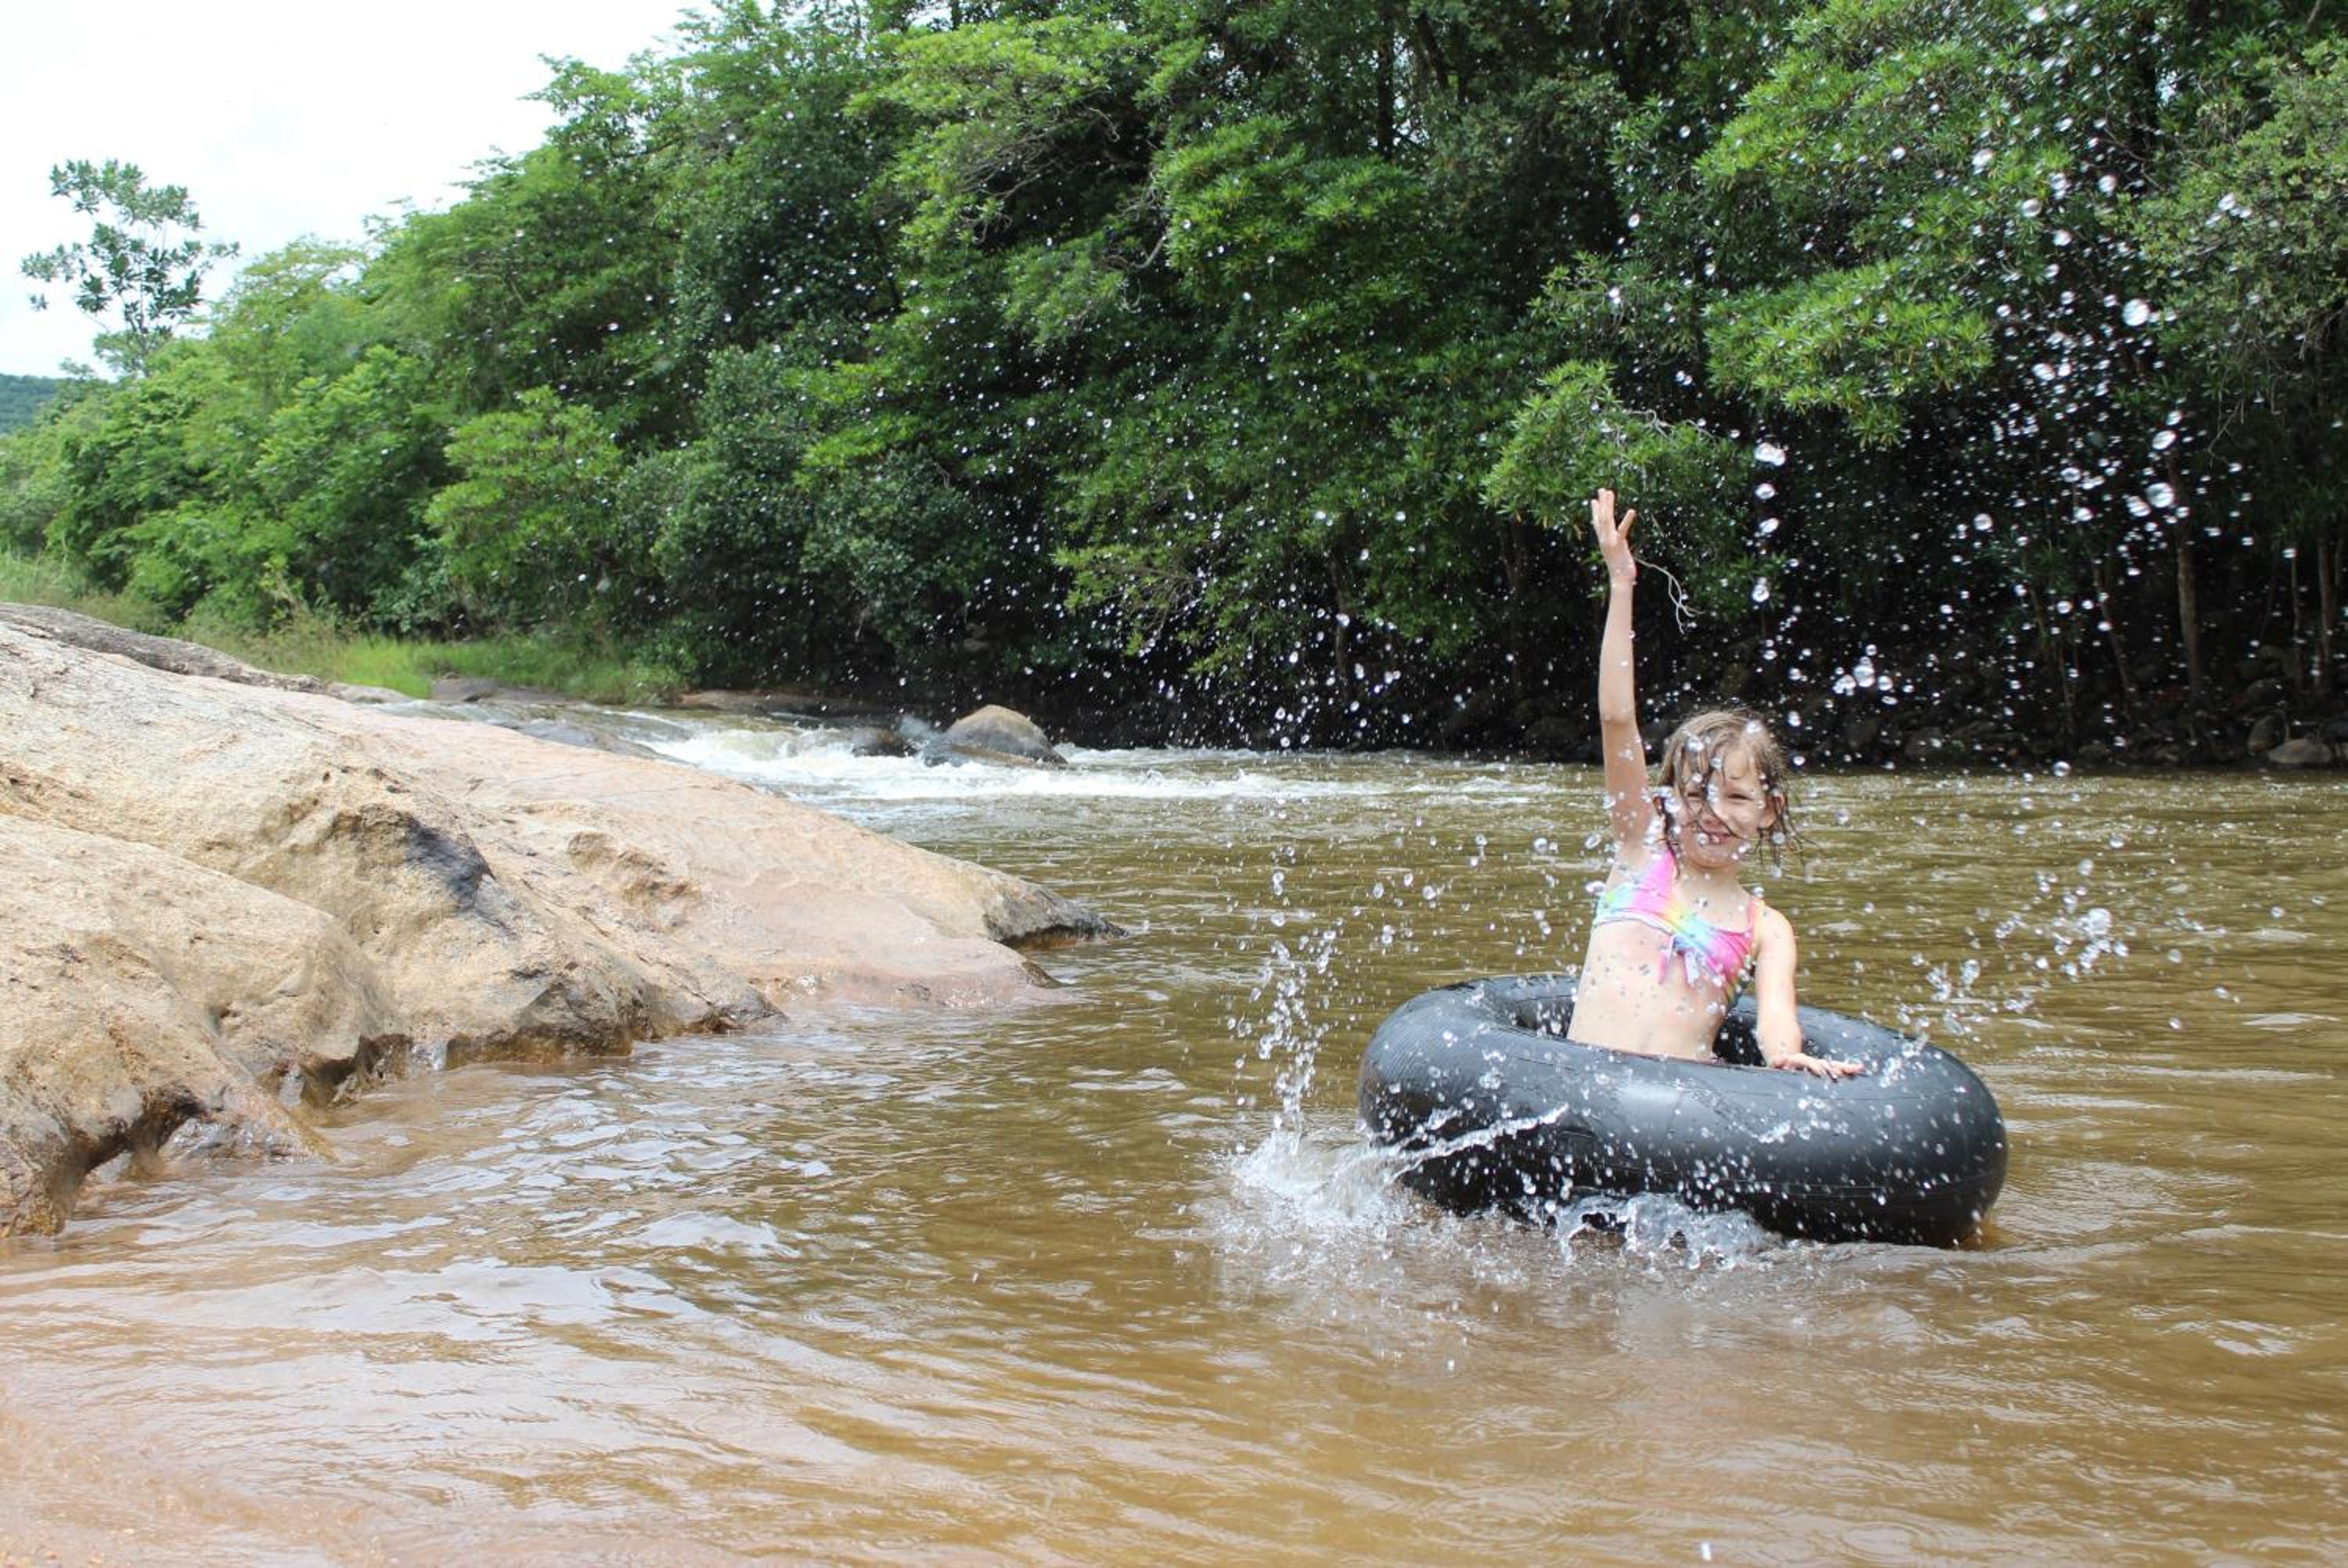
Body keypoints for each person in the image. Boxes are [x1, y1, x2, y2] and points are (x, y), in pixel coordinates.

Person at [1565, 488, 1860, 1078]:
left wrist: (1786, 1056)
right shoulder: (1641, 845)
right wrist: (1622, 585)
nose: (1712, 814)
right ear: (1670, 798)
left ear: (1769, 811)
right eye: (1696, 794)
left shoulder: (1766, 927)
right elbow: (1617, 718)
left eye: (1737, 798)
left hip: (1676, 1124)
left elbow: (1776, 1019)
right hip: (1579, 1096)